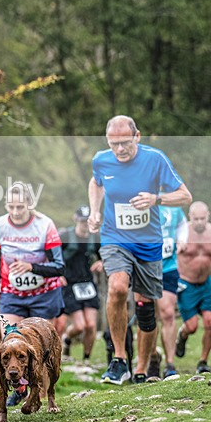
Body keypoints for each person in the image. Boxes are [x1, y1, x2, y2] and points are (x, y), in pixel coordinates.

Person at [88, 115, 191, 385]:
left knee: (146, 307)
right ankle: (119, 359)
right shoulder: (101, 160)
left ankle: (142, 368)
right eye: (114, 144)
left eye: (125, 143)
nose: (120, 149)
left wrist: (156, 198)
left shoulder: (155, 159)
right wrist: (95, 211)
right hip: (114, 237)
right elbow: (96, 182)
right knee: (118, 287)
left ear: (137, 137)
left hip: (148, 243)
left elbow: (185, 196)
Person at [0, 182, 65, 407]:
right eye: (11, 207)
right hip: (13, 292)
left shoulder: (45, 225)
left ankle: (42, 395)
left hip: (44, 292)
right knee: (11, 339)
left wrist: (32, 267)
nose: (15, 212)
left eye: (20, 207)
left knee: (40, 349)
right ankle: (20, 388)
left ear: (30, 205)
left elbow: (59, 266)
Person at [149, 204, 188, 379]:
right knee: (150, 317)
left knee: (168, 313)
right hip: (147, 268)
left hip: (168, 267)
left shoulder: (174, 207)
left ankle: (170, 364)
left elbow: (182, 226)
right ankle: (153, 357)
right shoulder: (140, 200)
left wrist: (181, 241)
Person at [60, 206, 102, 362]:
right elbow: (51, 254)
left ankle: (86, 359)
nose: (85, 224)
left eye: (87, 221)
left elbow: (104, 254)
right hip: (70, 284)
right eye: (82, 221)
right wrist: (58, 273)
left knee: (91, 325)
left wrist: (101, 263)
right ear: (76, 219)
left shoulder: (95, 238)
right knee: (80, 326)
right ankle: (67, 338)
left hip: (88, 283)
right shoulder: (65, 236)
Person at [175, 201, 211, 374]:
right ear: (190, 217)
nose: (199, 222)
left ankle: (203, 362)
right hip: (186, 283)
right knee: (192, 327)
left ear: (208, 216)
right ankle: (182, 335)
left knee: (209, 322)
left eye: (202, 219)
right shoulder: (182, 233)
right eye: (196, 219)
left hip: (207, 283)